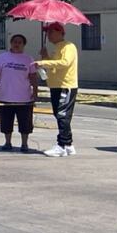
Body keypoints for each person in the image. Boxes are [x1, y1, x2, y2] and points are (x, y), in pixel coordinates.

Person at [0, 34, 38, 153]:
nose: (17, 44)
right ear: (11, 43)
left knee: (25, 122)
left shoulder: (28, 59)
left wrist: (35, 92)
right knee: (6, 121)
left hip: (24, 97)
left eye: (19, 42)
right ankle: (7, 142)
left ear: (24, 45)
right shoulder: (3, 57)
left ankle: (24, 144)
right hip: (5, 95)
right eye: (14, 42)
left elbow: (33, 77)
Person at [33, 22, 79, 157]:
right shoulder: (57, 48)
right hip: (55, 86)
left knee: (62, 114)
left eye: (52, 32)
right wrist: (46, 56)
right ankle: (69, 144)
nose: (49, 35)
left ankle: (62, 145)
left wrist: (43, 62)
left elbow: (65, 63)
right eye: (48, 32)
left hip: (66, 86)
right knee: (59, 114)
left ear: (60, 33)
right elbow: (53, 67)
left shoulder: (68, 46)